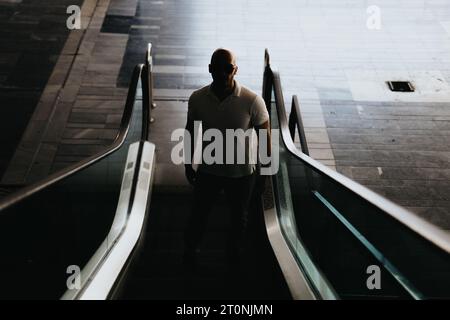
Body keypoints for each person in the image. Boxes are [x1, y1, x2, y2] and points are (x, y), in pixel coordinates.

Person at [183, 48, 270, 269]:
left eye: (228, 68)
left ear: (235, 70)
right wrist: (187, 163)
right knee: (199, 215)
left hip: (241, 174)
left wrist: (265, 172)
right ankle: (192, 251)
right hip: (208, 170)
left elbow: (266, 137)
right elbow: (190, 131)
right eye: (218, 68)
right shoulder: (197, 99)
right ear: (210, 69)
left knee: (238, 219)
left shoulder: (252, 101)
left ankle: (233, 255)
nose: (223, 73)